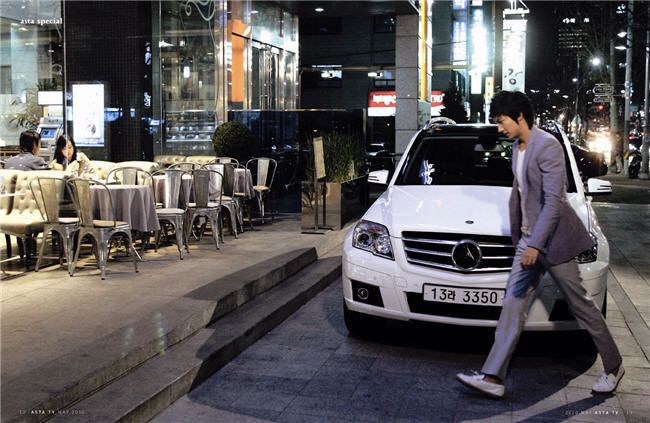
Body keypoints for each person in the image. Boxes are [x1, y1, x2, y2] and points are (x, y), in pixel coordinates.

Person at [456, 91, 624, 398]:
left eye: (502, 121)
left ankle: (613, 366)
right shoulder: (517, 149)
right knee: (512, 305)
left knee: (580, 305)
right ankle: (493, 377)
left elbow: (553, 202)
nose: (500, 128)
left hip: (553, 243)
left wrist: (535, 244)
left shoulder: (547, 146)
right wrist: (523, 240)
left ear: (519, 116)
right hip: (528, 241)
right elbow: (521, 195)